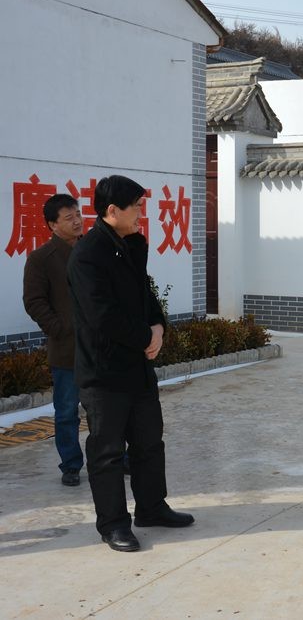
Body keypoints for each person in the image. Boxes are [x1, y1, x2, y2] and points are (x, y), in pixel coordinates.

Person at [68, 175, 194, 552]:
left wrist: (158, 327)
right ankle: (113, 524)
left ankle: (152, 508)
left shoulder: (130, 245)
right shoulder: (88, 254)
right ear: (112, 211)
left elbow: (145, 294)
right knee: (107, 453)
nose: (141, 213)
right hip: (104, 372)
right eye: (136, 206)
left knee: (149, 442)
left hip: (137, 368)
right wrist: (145, 337)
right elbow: (102, 315)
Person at [23, 194, 84, 486]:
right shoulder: (41, 259)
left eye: (78, 214)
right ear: (52, 224)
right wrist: (59, 328)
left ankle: (113, 457)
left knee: (106, 409)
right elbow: (34, 301)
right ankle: (71, 464)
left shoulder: (93, 249)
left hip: (99, 347)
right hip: (66, 349)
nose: (77, 221)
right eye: (69, 217)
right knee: (67, 411)